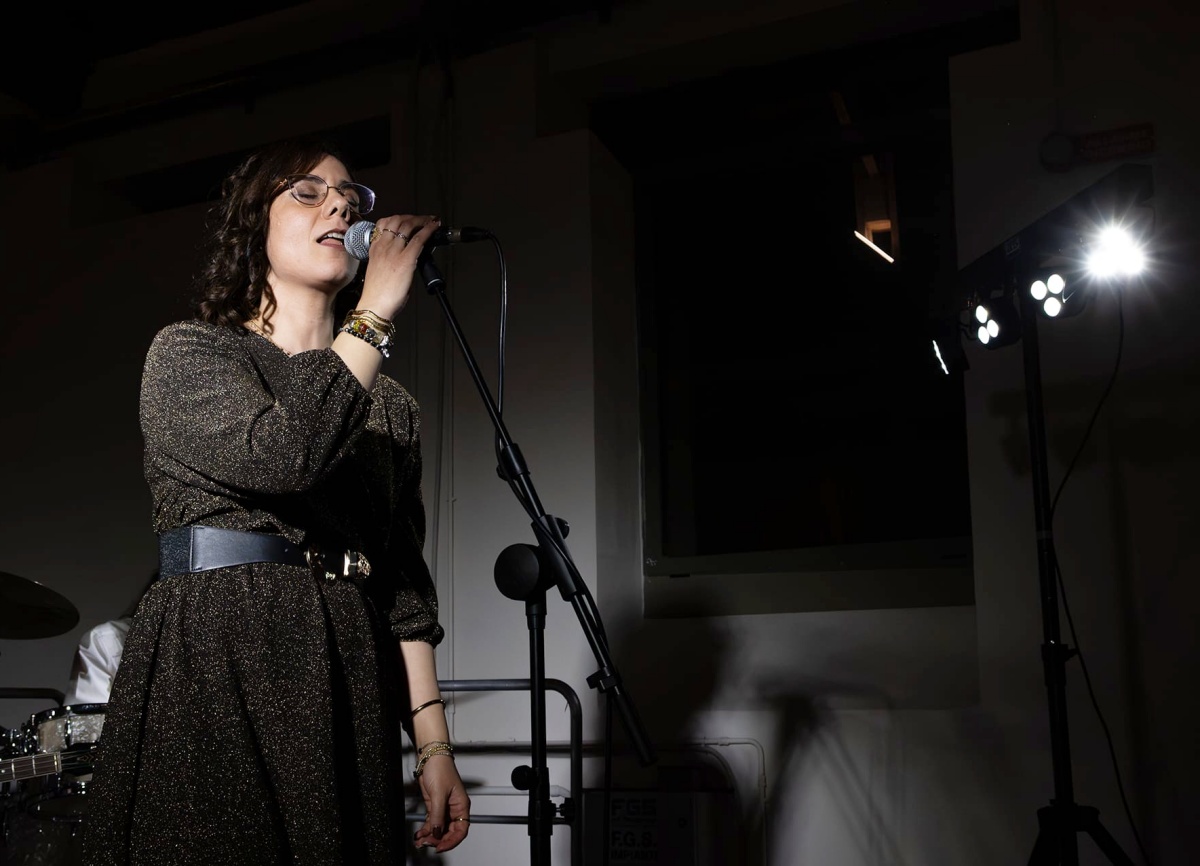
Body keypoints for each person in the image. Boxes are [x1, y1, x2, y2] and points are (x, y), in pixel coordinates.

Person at [81, 137, 470, 865]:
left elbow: (403, 584)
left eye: (351, 197)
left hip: (342, 659)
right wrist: (375, 313)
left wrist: (434, 746)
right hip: (221, 648)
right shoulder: (191, 354)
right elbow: (287, 454)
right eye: (308, 192)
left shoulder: (389, 407)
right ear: (251, 224)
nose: (341, 207)